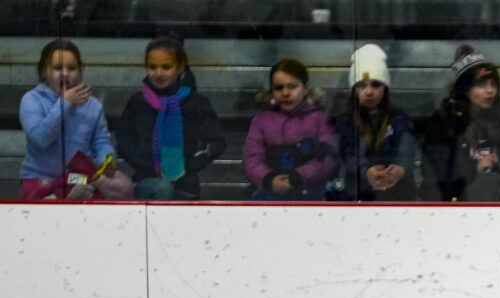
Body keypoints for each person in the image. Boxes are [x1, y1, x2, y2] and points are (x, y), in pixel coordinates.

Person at [18, 38, 131, 200]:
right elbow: (41, 138)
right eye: (58, 68)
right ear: (44, 71)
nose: (65, 73)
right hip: (41, 179)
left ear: (79, 70)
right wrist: (65, 103)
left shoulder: (92, 105)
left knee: (124, 186)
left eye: (71, 68)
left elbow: (100, 141)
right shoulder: (31, 100)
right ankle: (60, 200)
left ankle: (70, 197)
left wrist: (106, 160)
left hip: (79, 178)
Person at [117, 35, 226, 200]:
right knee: (162, 188)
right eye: (153, 67)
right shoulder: (137, 102)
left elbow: (216, 142)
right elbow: (124, 139)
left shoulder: (197, 102)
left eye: (166, 67)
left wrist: (188, 166)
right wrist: (148, 164)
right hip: (146, 180)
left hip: (186, 184)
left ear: (180, 66)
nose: (158, 73)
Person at [422, 44, 500, 202]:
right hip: (454, 193)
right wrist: (475, 168)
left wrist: (499, 162)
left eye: (493, 84)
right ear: (466, 89)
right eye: (481, 85)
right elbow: (438, 165)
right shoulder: (444, 119)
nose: (490, 91)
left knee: (488, 182)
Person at [242, 58, 338, 201]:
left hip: (312, 194)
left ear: (306, 89)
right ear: (271, 90)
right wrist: (269, 179)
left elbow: (328, 157)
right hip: (268, 195)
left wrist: (298, 177)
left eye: (292, 86)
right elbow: (251, 158)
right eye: (279, 88)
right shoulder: (261, 121)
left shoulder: (320, 120)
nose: (285, 93)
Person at [333, 44, 416, 201]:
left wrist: (400, 168)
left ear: (385, 88)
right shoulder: (346, 121)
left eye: (375, 85)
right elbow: (347, 153)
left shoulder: (399, 118)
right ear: (354, 90)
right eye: (362, 86)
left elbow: (407, 147)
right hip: (356, 193)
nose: (369, 92)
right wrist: (365, 170)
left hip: (397, 194)